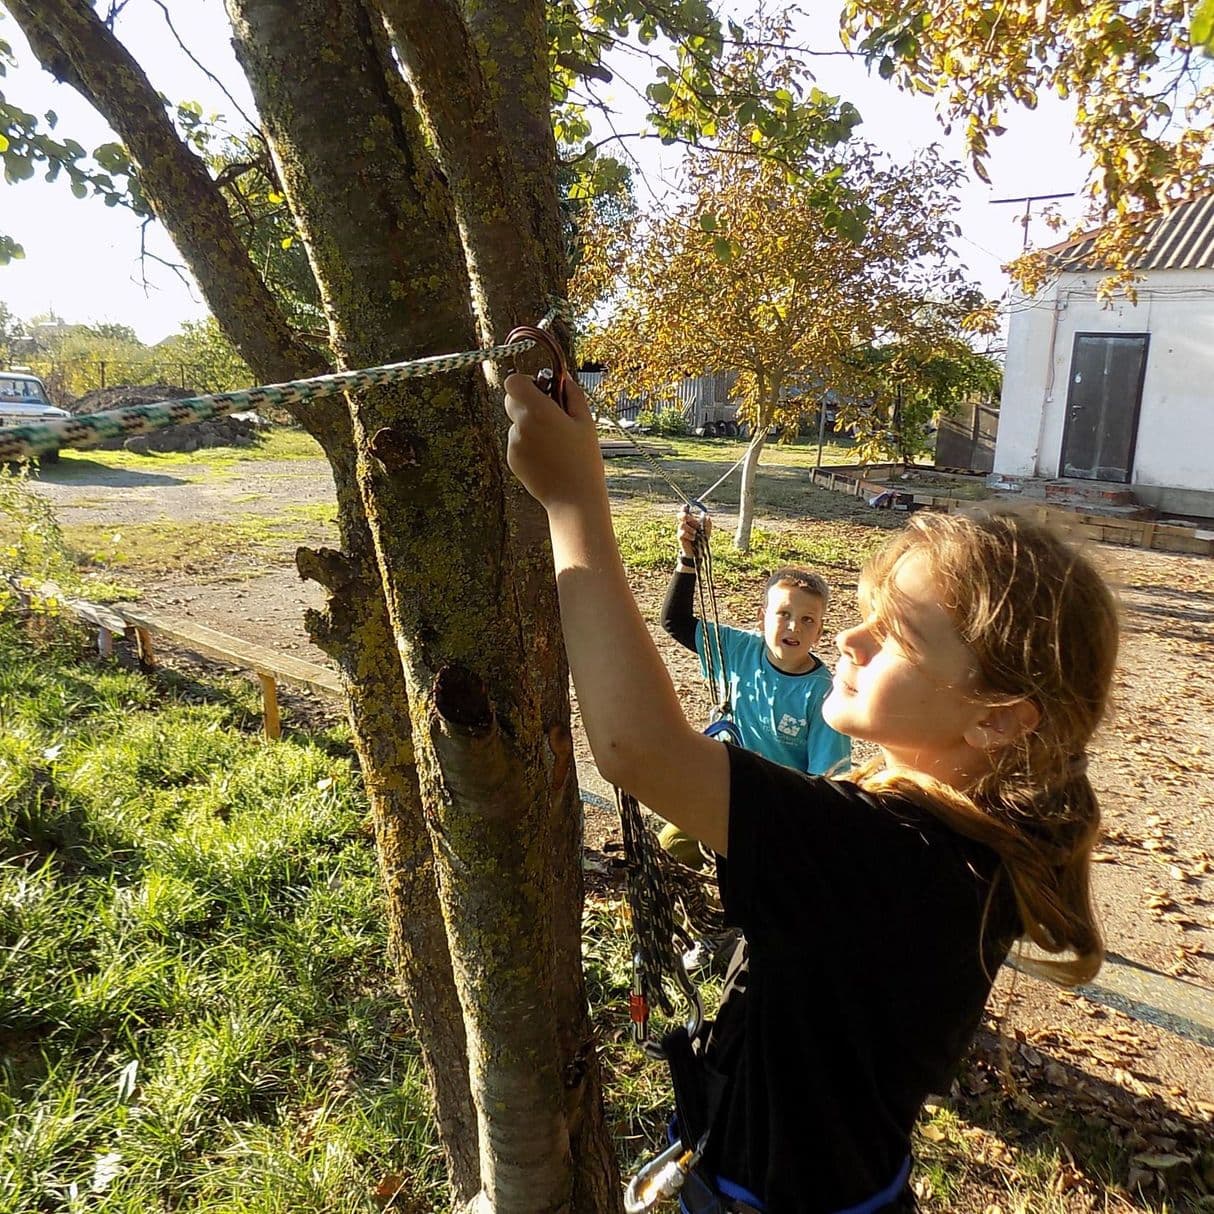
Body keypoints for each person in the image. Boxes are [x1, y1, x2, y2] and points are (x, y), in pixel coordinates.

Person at [503, 373, 1118, 1214]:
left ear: (998, 721)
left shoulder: (883, 850)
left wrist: (573, 501)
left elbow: (634, 747)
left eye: (895, 632)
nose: (853, 639)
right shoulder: (972, 843)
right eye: (863, 613)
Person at [658, 509, 851, 868]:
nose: (794, 627)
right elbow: (675, 622)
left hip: (782, 810)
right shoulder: (738, 650)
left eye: (808, 620)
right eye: (783, 614)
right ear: (762, 616)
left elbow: (829, 782)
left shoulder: (824, 696)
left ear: (820, 631)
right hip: (724, 793)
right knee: (669, 847)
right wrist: (688, 558)